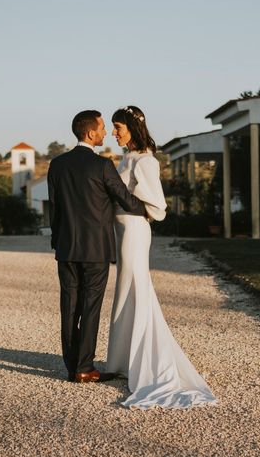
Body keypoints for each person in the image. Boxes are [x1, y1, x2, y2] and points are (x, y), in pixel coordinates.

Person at [105, 105, 218, 409]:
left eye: (118, 127)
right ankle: (122, 359)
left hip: (134, 231)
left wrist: (133, 209)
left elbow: (158, 207)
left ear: (132, 127)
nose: (113, 132)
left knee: (136, 289)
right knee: (124, 291)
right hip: (121, 230)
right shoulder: (126, 157)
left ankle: (146, 362)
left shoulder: (144, 161)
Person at [47, 110, 147, 383]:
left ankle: (71, 366)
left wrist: (58, 242)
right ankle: (85, 367)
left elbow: (53, 209)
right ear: (90, 133)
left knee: (69, 308)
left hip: (66, 248)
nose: (105, 133)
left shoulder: (56, 164)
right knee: (91, 307)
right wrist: (151, 209)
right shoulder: (102, 166)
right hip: (96, 250)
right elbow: (126, 199)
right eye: (102, 128)